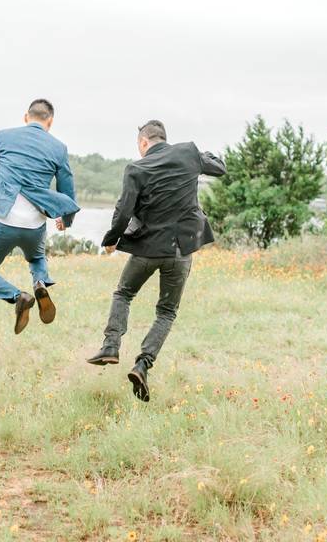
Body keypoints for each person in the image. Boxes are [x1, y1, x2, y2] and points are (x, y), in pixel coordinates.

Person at [87, 119, 226, 402]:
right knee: (166, 312)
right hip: (181, 251)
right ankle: (143, 364)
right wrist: (203, 155)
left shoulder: (136, 168)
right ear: (164, 138)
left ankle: (111, 346)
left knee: (124, 293)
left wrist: (111, 239)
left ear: (143, 142)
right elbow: (219, 167)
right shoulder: (188, 153)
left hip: (147, 250)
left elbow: (123, 210)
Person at [0, 99, 80, 334]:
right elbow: (67, 189)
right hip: (34, 225)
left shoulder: (2, 136)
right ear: (50, 122)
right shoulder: (59, 148)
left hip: (3, 221)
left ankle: (18, 296)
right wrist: (66, 220)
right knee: (36, 258)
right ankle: (40, 283)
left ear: (26, 117)